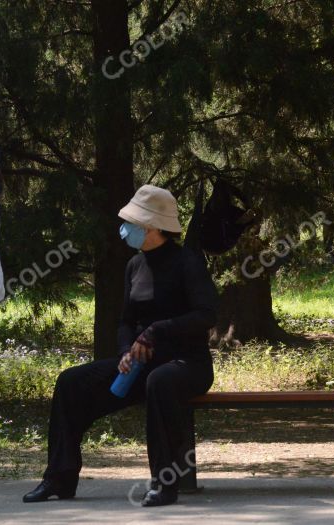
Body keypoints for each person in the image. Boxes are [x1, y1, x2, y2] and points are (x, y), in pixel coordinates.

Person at [23, 184, 218, 507]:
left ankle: (164, 483)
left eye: (132, 223)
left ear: (153, 226)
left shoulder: (188, 262)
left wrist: (157, 331)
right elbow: (126, 321)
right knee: (71, 382)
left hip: (187, 364)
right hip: (140, 366)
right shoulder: (134, 266)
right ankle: (59, 478)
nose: (125, 229)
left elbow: (206, 314)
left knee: (161, 380)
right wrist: (127, 351)